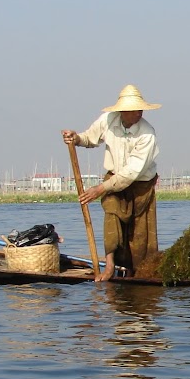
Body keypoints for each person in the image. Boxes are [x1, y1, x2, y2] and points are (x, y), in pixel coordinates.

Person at [62, 84, 161, 281]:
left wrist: (99, 189)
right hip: (113, 178)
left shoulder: (147, 133)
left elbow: (131, 172)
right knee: (112, 214)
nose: (138, 113)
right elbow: (90, 138)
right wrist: (76, 138)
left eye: (140, 109)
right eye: (134, 110)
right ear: (123, 111)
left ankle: (134, 271)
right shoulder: (108, 120)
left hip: (140, 184)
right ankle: (109, 265)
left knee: (139, 234)